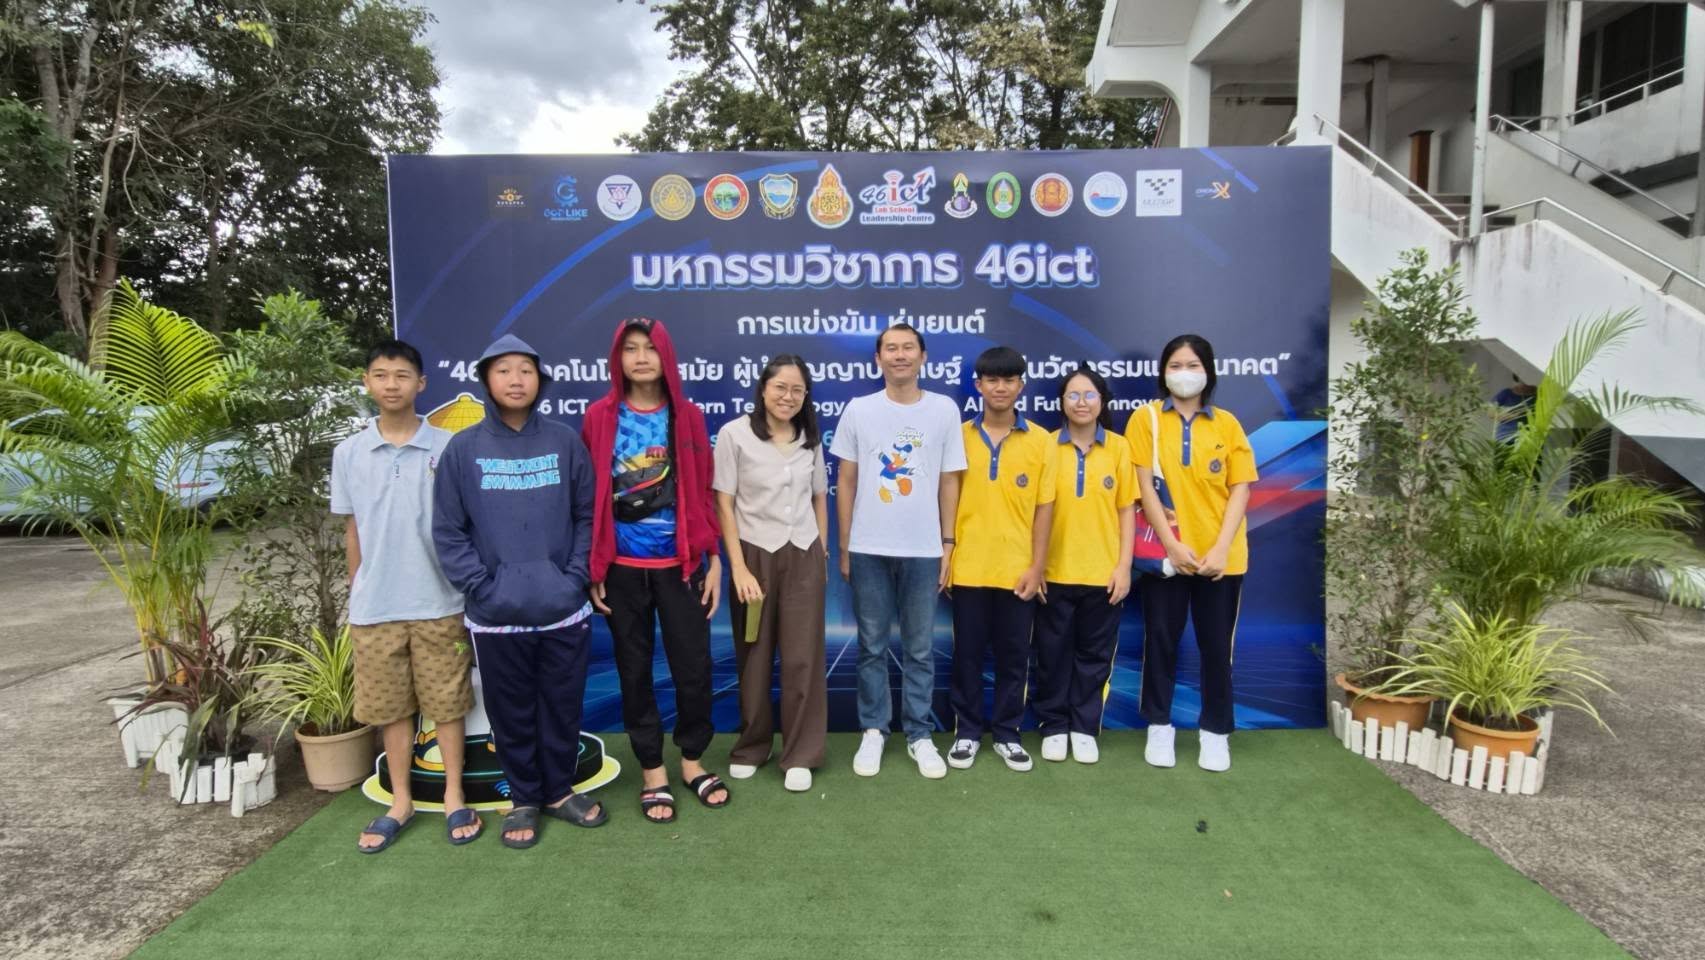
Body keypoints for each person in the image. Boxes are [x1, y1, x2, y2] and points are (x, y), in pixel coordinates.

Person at [432, 334, 604, 849]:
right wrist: (481, 587)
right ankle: (524, 797)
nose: (515, 380)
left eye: (525, 370)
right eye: (504, 370)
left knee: (561, 706)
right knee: (510, 711)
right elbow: (448, 530)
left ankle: (559, 791)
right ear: (487, 380)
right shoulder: (463, 449)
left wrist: (573, 578)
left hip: (562, 608)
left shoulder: (564, 442)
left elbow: (586, 516)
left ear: (539, 381)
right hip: (496, 614)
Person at [332, 339, 480, 853]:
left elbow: (466, 525)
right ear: (367, 383)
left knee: (448, 704)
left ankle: (455, 794)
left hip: (440, 601)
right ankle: (401, 801)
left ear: (421, 384)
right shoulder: (349, 453)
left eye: (401, 375)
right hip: (376, 607)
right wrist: (359, 590)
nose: (391, 384)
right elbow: (353, 529)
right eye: (380, 375)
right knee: (391, 709)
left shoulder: (449, 446)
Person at [583, 317, 726, 823]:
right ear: (617, 358)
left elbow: (704, 490)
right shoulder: (599, 416)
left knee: (694, 668)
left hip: (681, 567)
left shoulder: (687, 417)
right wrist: (595, 567)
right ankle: (652, 770)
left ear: (666, 356)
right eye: (631, 349)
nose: (641, 357)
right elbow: (590, 497)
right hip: (622, 570)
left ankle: (692, 761)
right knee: (634, 671)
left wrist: (713, 559)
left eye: (650, 348)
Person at [831, 323, 967, 780]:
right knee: (871, 645)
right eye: (891, 348)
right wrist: (845, 546)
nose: (900, 355)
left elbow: (950, 480)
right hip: (868, 547)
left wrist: (947, 542)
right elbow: (846, 480)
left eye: (909, 347)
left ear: (923, 357)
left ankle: (919, 733)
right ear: (878, 358)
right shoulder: (859, 409)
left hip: (924, 549)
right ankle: (874, 729)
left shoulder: (943, 409)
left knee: (920, 648)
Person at [1126, 334, 1256, 773]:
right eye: (1176, 365)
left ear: (1208, 372)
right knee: (1160, 641)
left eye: (1193, 365)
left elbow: (1241, 489)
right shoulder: (1145, 419)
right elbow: (1143, 488)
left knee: (1216, 648)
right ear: (1164, 373)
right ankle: (1159, 726)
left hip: (1221, 560)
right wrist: (1172, 546)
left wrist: (1220, 548)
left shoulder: (1227, 424)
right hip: (1167, 558)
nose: (1184, 374)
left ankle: (1215, 733)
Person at [713, 355, 829, 793]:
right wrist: (738, 567)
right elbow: (724, 503)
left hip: (802, 554)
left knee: (803, 658)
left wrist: (821, 550)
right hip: (754, 556)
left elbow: (819, 496)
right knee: (754, 655)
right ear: (763, 388)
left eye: (798, 390)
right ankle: (752, 747)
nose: (788, 397)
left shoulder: (809, 439)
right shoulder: (734, 434)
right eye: (781, 387)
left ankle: (800, 754)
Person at [945, 347, 1055, 772]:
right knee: (967, 656)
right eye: (992, 380)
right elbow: (946, 498)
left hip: (1018, 571)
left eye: (1009, 380)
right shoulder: (958, 435)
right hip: (969, 567)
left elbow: (1044, 508)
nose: (1000, 387)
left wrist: (1037, 566)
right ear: (978, 385)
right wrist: (948, 553)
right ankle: (968, 732)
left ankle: (1008, 734)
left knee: (1014, 657)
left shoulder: (1041, 441)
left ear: (1021, 386)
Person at [1033, 364, 1136, 764]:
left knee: (1095, 657)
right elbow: (1034, 511)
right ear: (1061, 402)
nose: (1081, 402)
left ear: (1102, 401)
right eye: (1073, 395)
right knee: (1052, 654)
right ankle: (1054, 726)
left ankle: (1084, 727)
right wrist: (1036, 565)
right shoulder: (1044, 446)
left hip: (1103, 574)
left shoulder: (1119, 448)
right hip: (1053, 573)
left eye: (1089, 394)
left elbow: (1126, 510)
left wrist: (1123, 566)